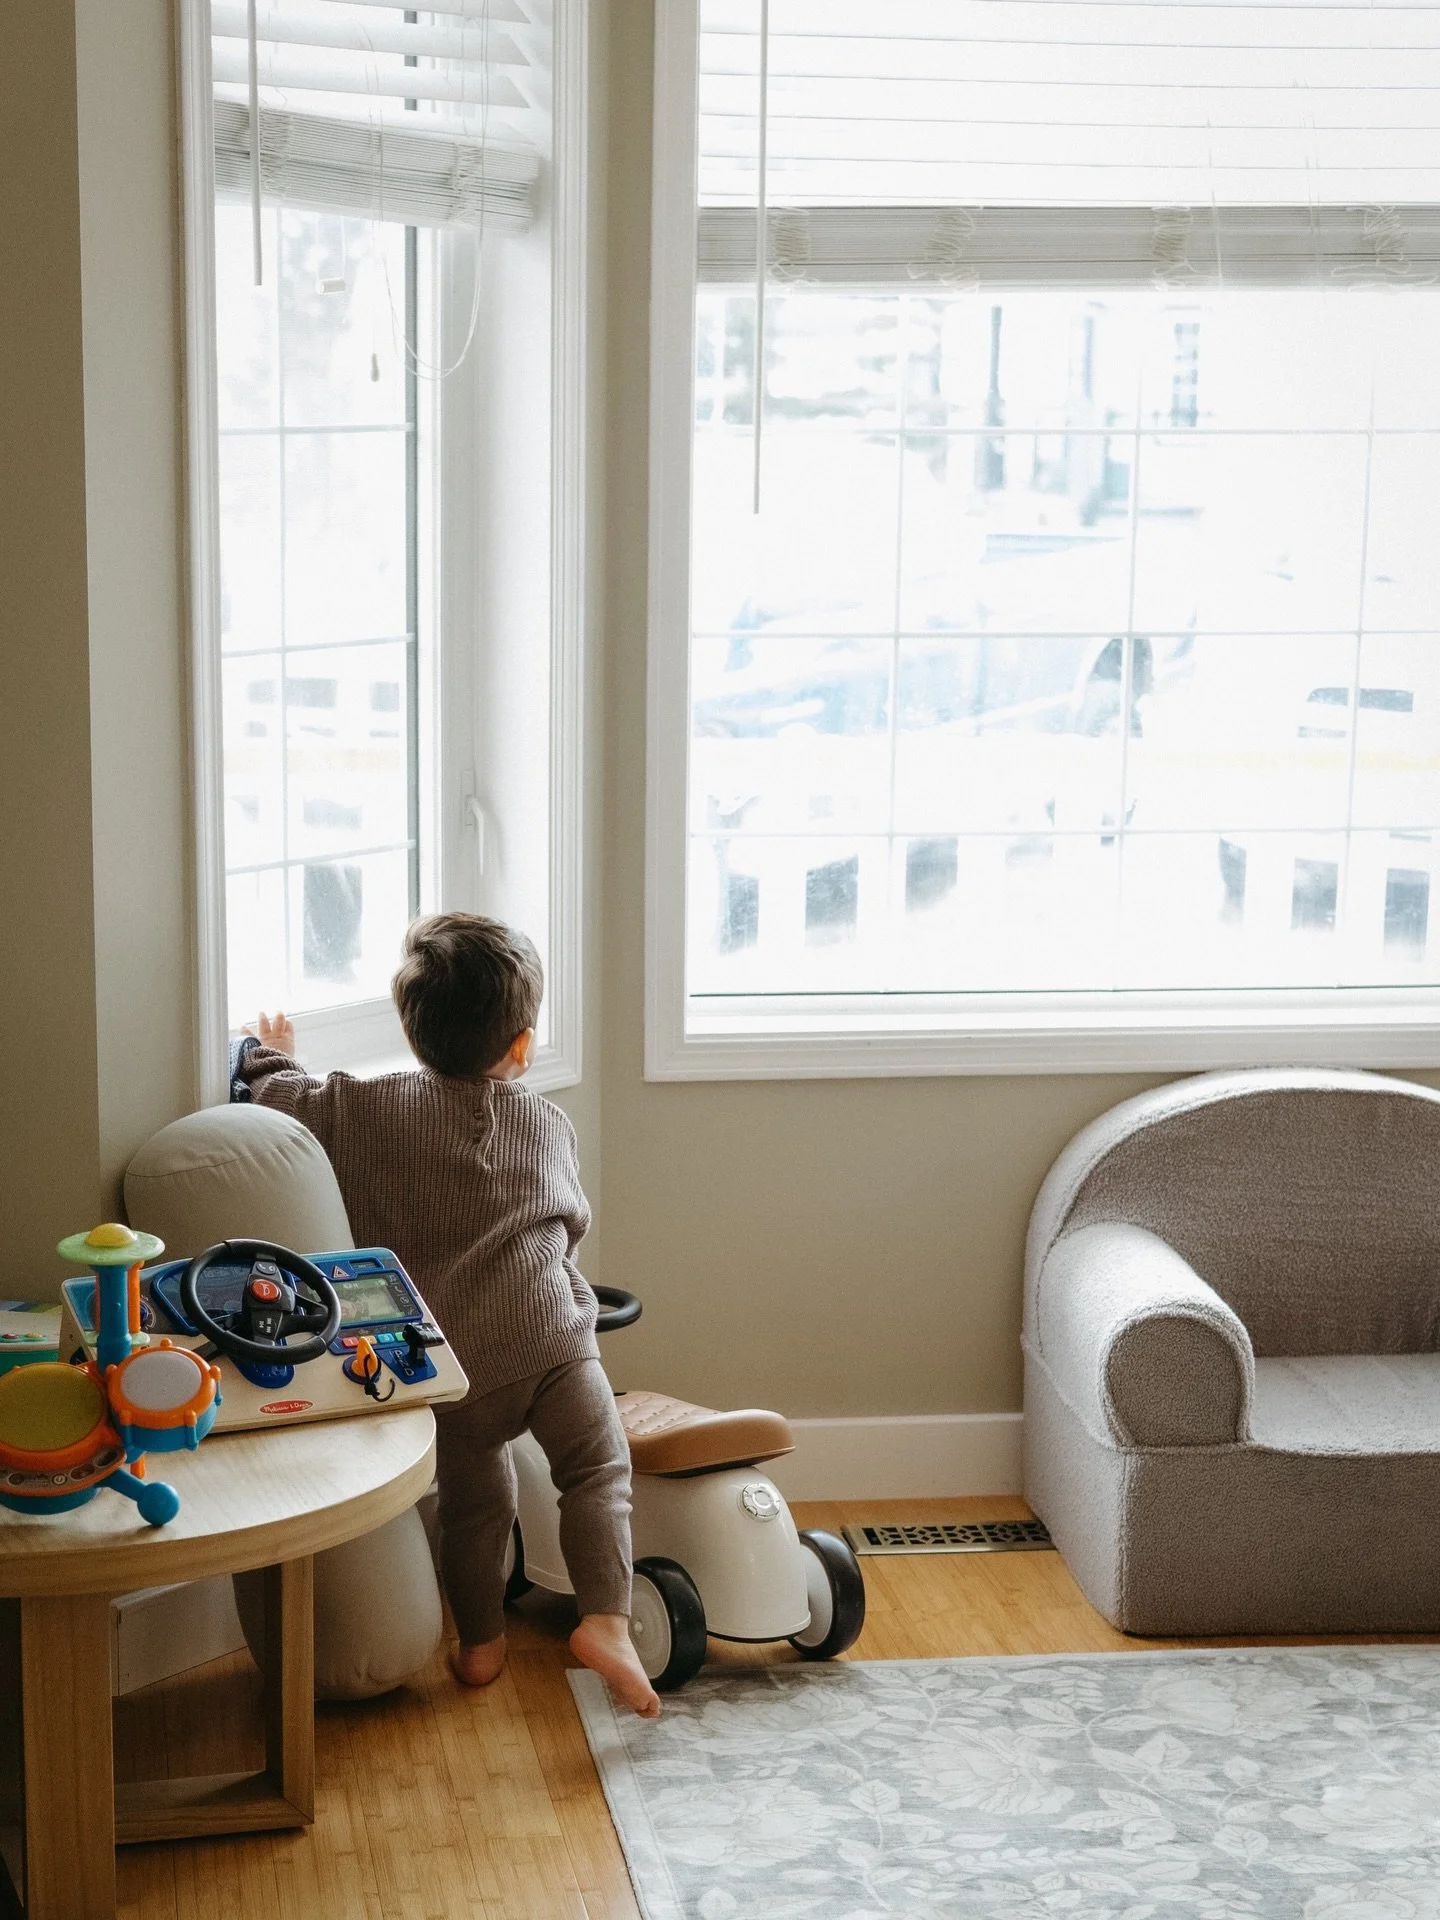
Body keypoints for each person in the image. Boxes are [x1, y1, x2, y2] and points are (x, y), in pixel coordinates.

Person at [232, 912, 660, 1718]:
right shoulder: (546, 1122)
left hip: (449, 1365)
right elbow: (570, 1222)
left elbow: (278, 1096)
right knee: (598, 1474)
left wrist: (264, 1049)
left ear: (408, 1024)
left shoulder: (366, 1111)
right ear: (524, 1046)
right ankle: (607, 1619)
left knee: (476, 1503)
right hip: (551, 1346)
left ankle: (479, 1644)